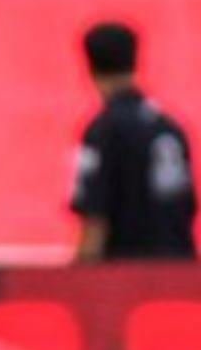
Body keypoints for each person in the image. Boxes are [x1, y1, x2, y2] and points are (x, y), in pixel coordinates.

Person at [71, 21, 197, 261]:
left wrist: (78, 281)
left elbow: (95, 220)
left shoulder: (102, 132)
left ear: (90, 66)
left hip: (127, 280)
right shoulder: (170, 127)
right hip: (180, 276)